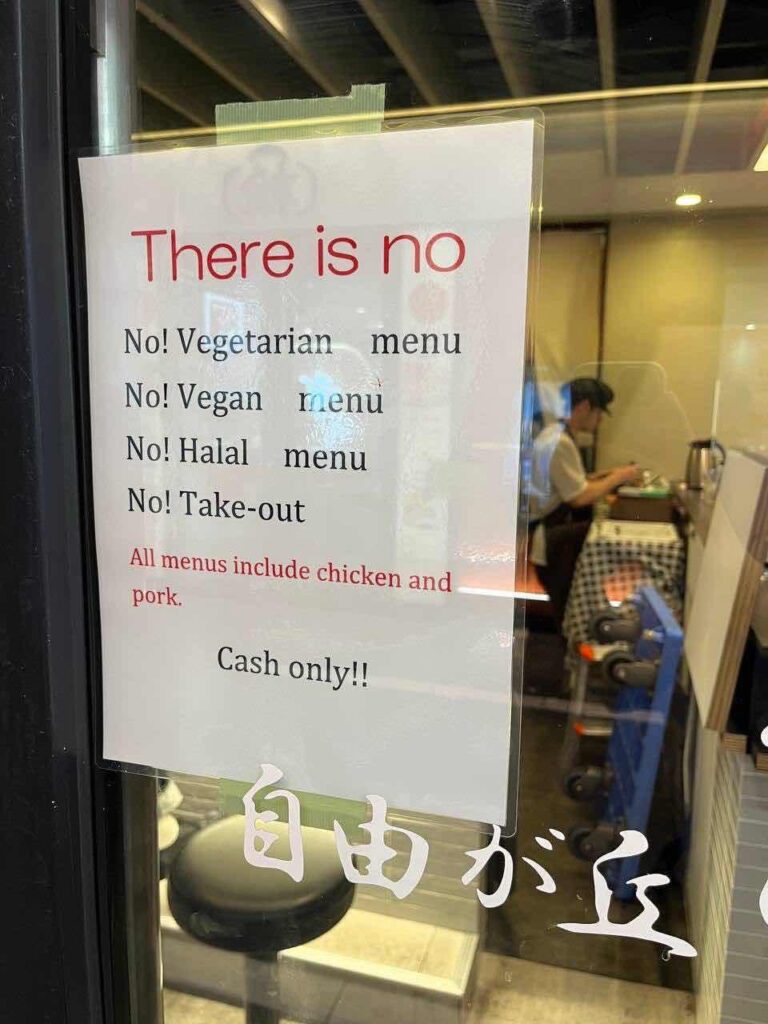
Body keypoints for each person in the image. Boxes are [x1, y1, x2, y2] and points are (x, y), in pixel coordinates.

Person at [528, 377, 639, 629]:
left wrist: (607, 474)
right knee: (568, 617)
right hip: (553, 540)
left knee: (567, 615)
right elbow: (578, 497)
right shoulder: (559, 442)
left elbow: (572, 482)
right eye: (599, 413)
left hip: (554, 538)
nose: (600, 420)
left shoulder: (556, 435)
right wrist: (618, 477)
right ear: (585, 407)